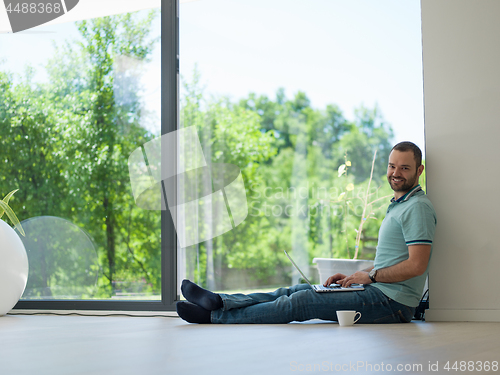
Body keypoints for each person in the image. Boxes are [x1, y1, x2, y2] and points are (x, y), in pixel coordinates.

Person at [176, 141, 437, 324]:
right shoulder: (399, 206)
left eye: (404, 168)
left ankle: (214, 316)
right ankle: (220, 301)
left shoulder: (418, 207)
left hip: (393, 304)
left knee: (300, 302)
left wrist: (372, 276)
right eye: (392, 166)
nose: (396, 173)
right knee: (291, 291)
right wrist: (358, 276)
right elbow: (392, 262)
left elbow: (417, 265)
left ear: (419, 171)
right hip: (380, 291)